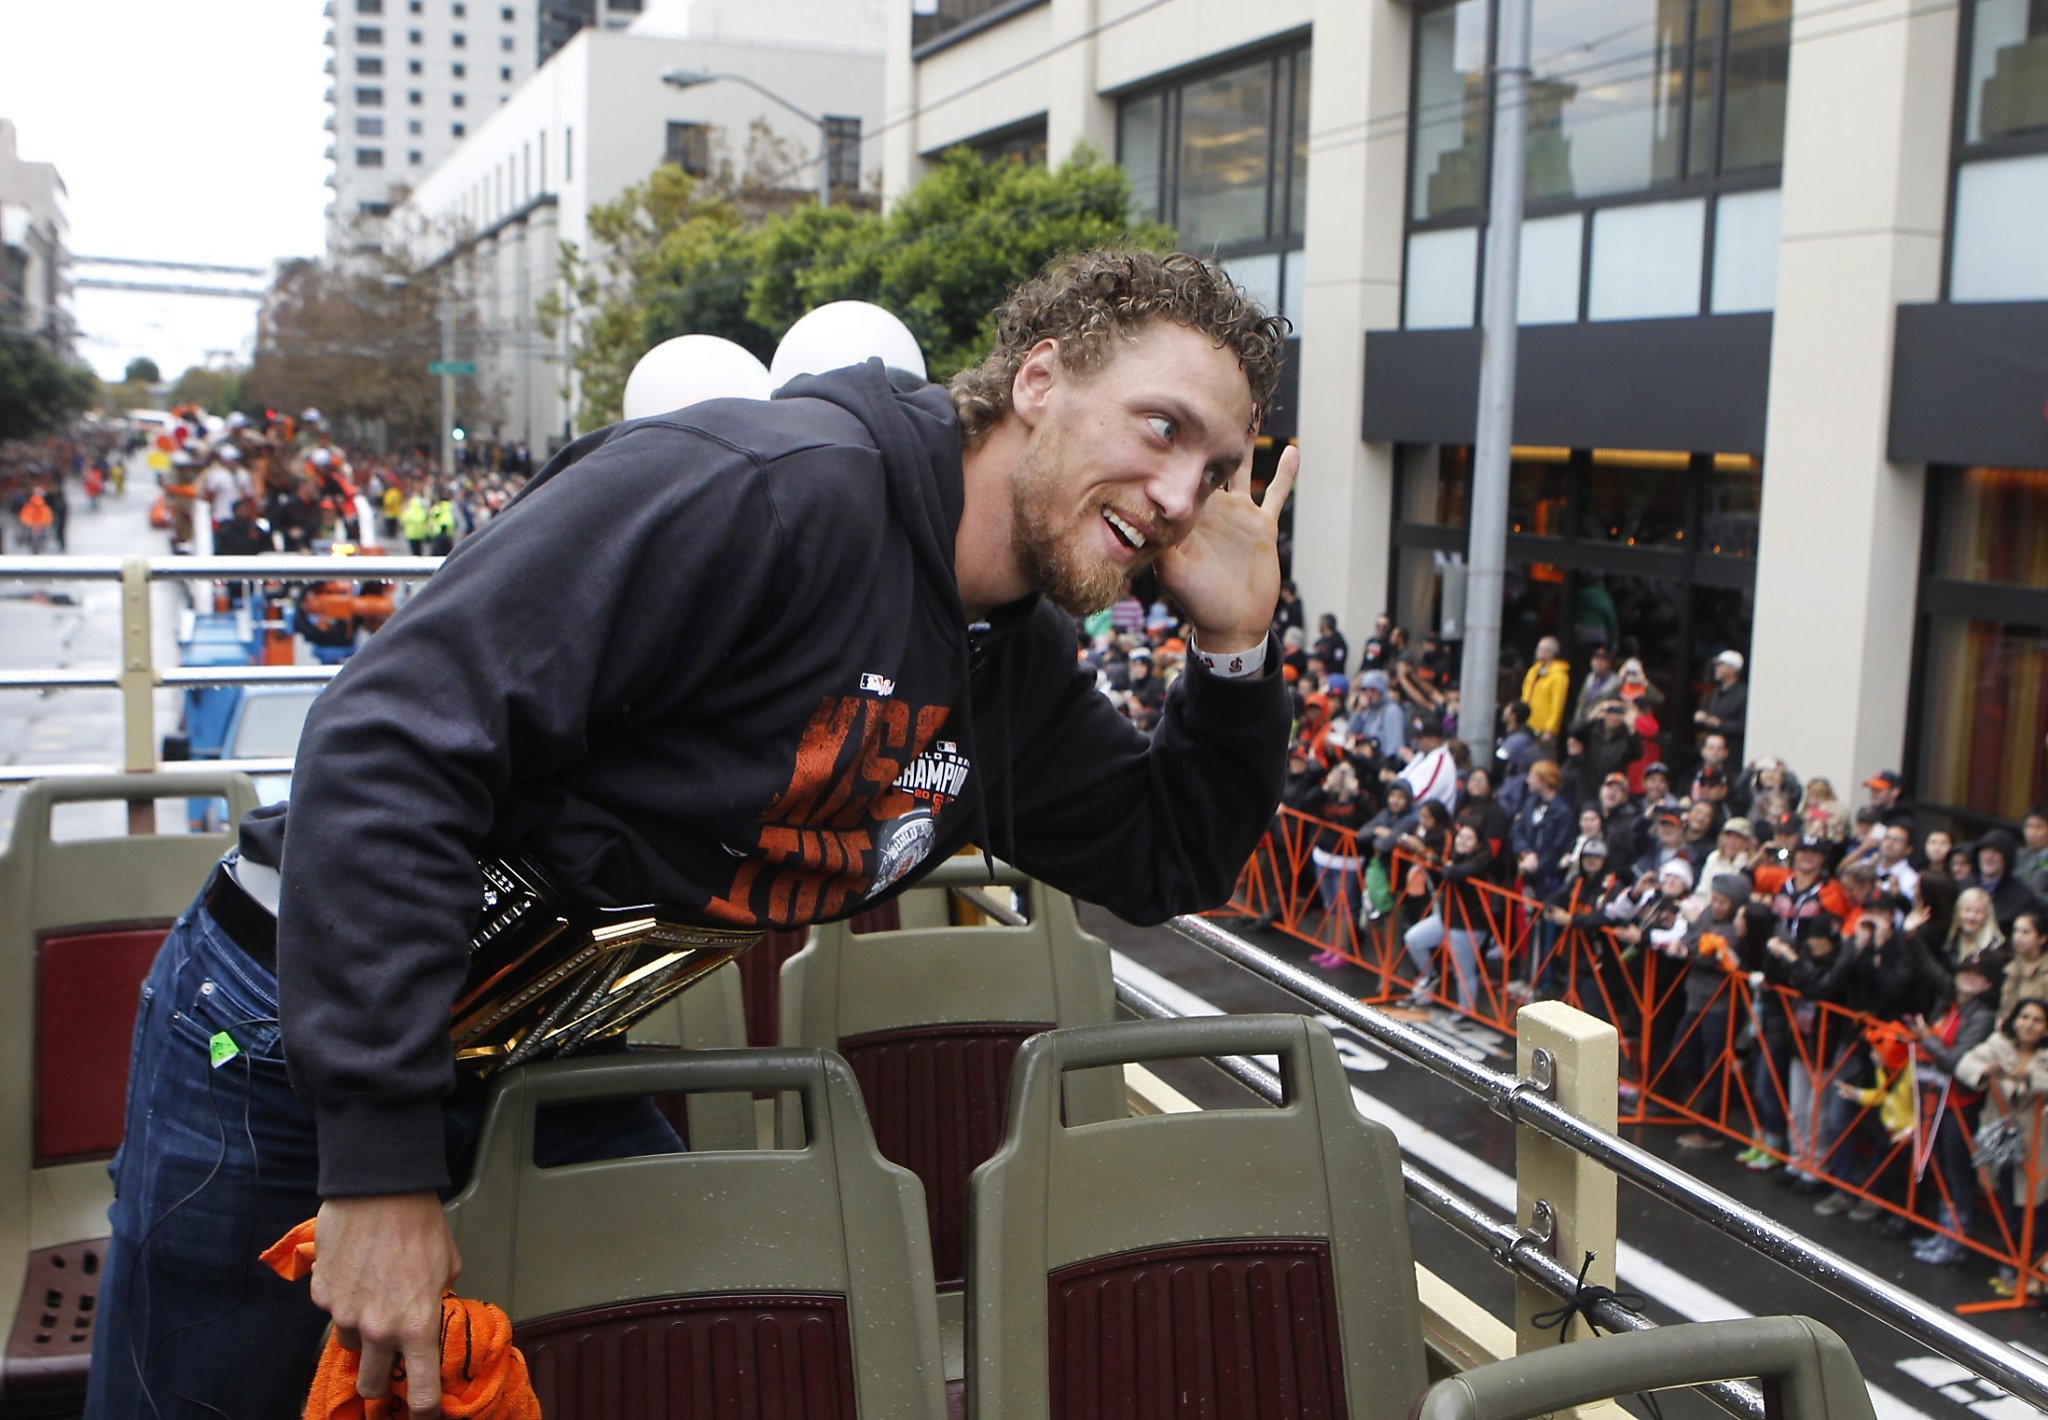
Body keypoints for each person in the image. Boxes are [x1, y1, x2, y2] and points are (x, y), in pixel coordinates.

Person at [88, 249, 1299, 1417]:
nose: (1184, 494)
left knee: (708, 1347)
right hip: (293, 1023)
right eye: (1160, 427)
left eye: (1217, 463)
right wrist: (378, 1167)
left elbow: (1161, 855)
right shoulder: (772, 488)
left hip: (534, 1042)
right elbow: (390, 737)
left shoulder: (1010, 661)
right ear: (1038, 381)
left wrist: (1237, 653)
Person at [1956, 997, 2048, 1297]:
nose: (2029, 1025)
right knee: (2008, 1204)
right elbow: (1966, 1064)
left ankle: (2030, 1274)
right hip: (2004, 1141)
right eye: (2025, 1017)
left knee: (2034, 1210)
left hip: (2039, 1146)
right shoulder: (1997, 1044)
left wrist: (2031, 1077)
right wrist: (1988, 1071)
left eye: (2037, 1020)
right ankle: (2013, 1268)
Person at [1695, 649, 1748, 760]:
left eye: (1720, 665)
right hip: (1713, 753)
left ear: (1732, 669)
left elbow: (1744, 726)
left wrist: (1720, 723)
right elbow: (1713, 715)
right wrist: (1705, 717)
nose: (1716, 668)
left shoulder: (1743, 694)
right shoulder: (1718, 691)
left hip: (1732, 752)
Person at [1519, 636, 1570, 741]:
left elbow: (1557, 705)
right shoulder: (1533, 671)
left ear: (1550, 653)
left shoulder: (1559, 676)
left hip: (1543, 729)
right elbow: (1525, 695)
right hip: (1526, 724)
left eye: (1541, 649)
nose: (1537, 652)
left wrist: (1549, 730)